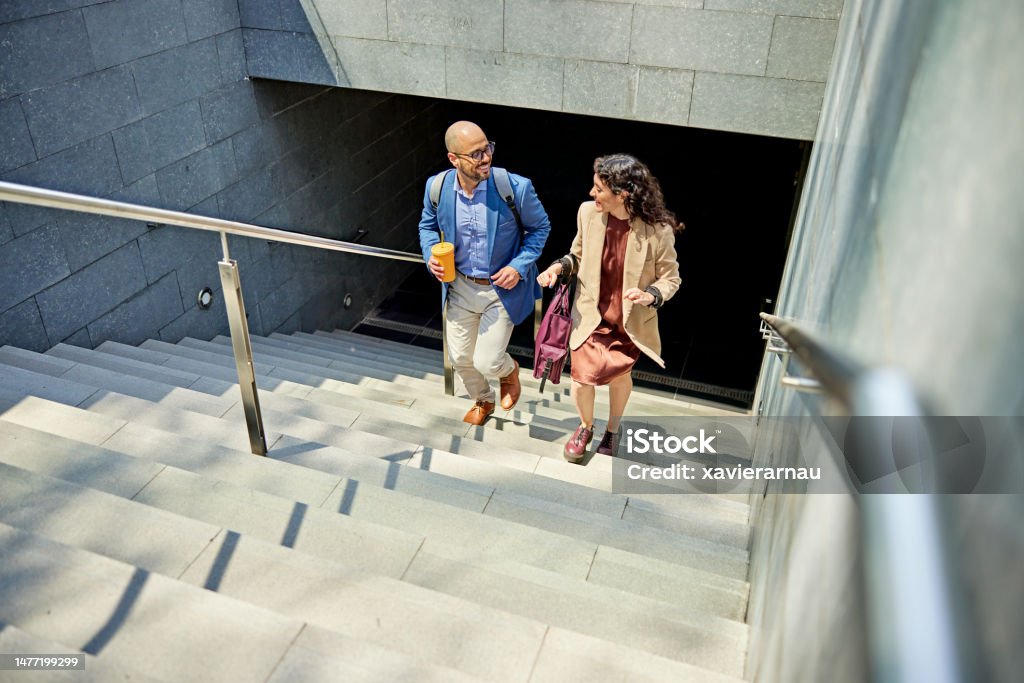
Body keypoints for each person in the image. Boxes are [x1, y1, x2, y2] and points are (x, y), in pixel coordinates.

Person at [537, 154, 682, 461]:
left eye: (599, 189)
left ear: (622, 194)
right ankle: (585, 427)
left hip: (627, 322)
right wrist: (556, 269)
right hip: (590, 316)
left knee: (619, 376)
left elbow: (671, 278)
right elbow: (575, 256)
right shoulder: (588, 213)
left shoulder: (658, 231)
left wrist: (651, 294)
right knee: (580, 379)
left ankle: (612, 430)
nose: (592, 194)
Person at [419, 121, 552, 425]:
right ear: (454, 159)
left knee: (488, 360)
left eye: (488, 148)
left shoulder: (515, 188)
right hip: (459, 286)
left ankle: (509, 371)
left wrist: (518, 267)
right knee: (460, 359)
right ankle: (483, 399)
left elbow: (540, 228)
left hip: (500, 290)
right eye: (476, 153)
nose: (486, 157)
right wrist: (430, 256)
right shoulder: (437, 188)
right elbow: (427, 225)